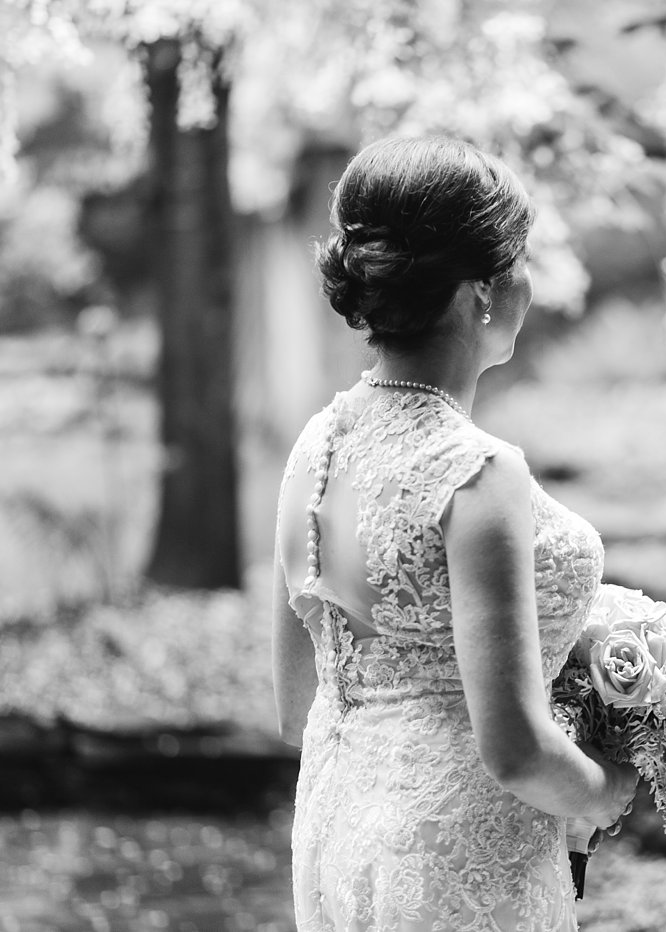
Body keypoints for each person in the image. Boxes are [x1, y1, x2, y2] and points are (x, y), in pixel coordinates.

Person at [272, 135, 639, 931]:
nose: (532, 284)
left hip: (340, 828)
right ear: (480, 291)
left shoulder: (318, 446)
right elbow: (513, 750)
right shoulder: (475, 472)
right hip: (456, 860)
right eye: (523, 260)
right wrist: (610, 788)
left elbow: (295, 700)